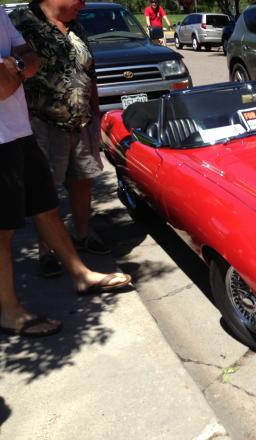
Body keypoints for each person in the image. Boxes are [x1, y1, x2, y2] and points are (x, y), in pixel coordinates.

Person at [1, 7, 132, 337]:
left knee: (46, 208)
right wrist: (19, 67)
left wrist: (15, 65)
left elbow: (28, 58)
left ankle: (80, 274)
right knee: (2, 230)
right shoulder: (23, 16)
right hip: (7, 136)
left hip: (17, 130)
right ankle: (10, 311)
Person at [11, 0, 110, 279]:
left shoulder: (75, 25)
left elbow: (89, 72)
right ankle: (47, 250)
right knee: (46, 190)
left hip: (81, 121)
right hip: (42, 123)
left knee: (82, 180)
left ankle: (82, 233)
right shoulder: (21, 21)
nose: (84, 3)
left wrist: (96, 110)